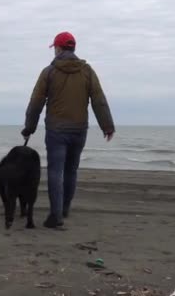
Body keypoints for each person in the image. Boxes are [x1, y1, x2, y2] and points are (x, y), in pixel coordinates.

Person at [21, 31, 115, 229]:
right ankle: (64, 209)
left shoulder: (49, 71)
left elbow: (36, 101)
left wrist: (29, 128)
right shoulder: (87, 71)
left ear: (58, 48)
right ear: (73, 48)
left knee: (56, 171)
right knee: (71, 170)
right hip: (79, 129)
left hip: (56, 130)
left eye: (54, 48)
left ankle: (56, 215)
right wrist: (107, 126)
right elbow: (99, 99)